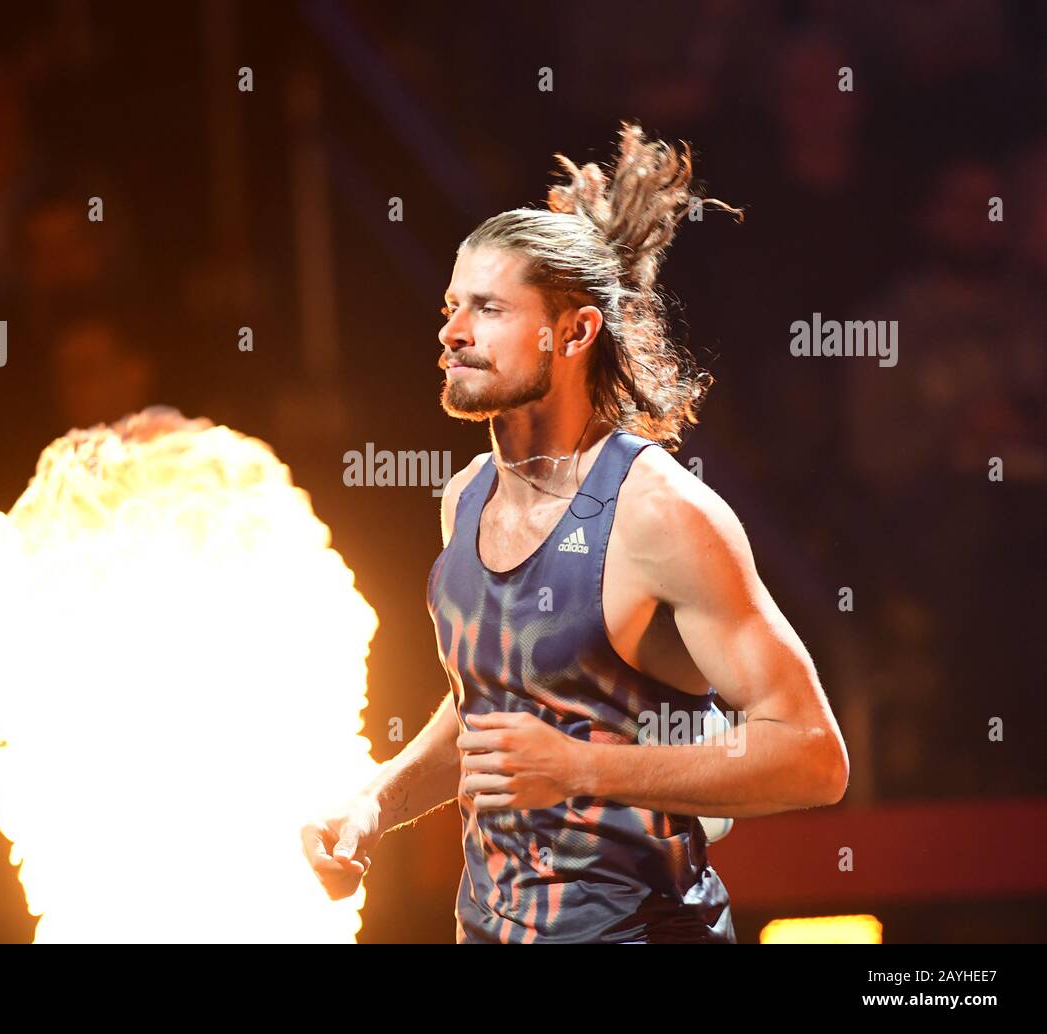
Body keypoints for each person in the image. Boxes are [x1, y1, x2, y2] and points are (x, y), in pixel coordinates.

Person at [301, 123, 849, 943]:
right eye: (452, 306)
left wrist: (584, 769)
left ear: (576, 331)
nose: (452, 332)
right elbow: (493, 712)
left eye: (487, 309)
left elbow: (811, 754)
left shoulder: (660, 512)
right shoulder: (463, 501)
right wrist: (380, 797)